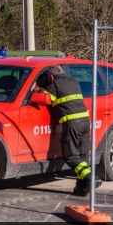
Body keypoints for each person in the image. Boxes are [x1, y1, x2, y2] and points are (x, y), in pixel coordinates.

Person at [36, 65, 103, 196]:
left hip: (72, 123)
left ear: (51, 76)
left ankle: (91, 177)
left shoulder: (55, 84)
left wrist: (37, 90)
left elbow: (45, 98)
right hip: (84, 121)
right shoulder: (74, 81)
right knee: (82, 155)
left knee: (70, 155)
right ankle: (81, 188)